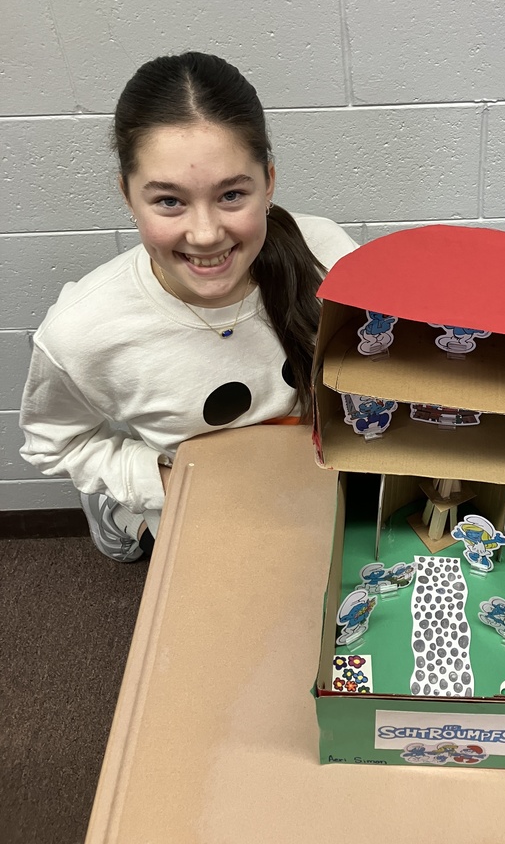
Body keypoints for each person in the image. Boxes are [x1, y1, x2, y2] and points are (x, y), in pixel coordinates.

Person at [19, 52, 357, 561]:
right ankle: (120, 518)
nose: (204, 234)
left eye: (231, 195)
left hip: (313, 488)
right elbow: (53, 442)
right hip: (194, 499)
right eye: (169, 201)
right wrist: (159, 482)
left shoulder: (328, 257)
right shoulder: (80, 330)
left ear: (268, 182)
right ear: (128, 196)